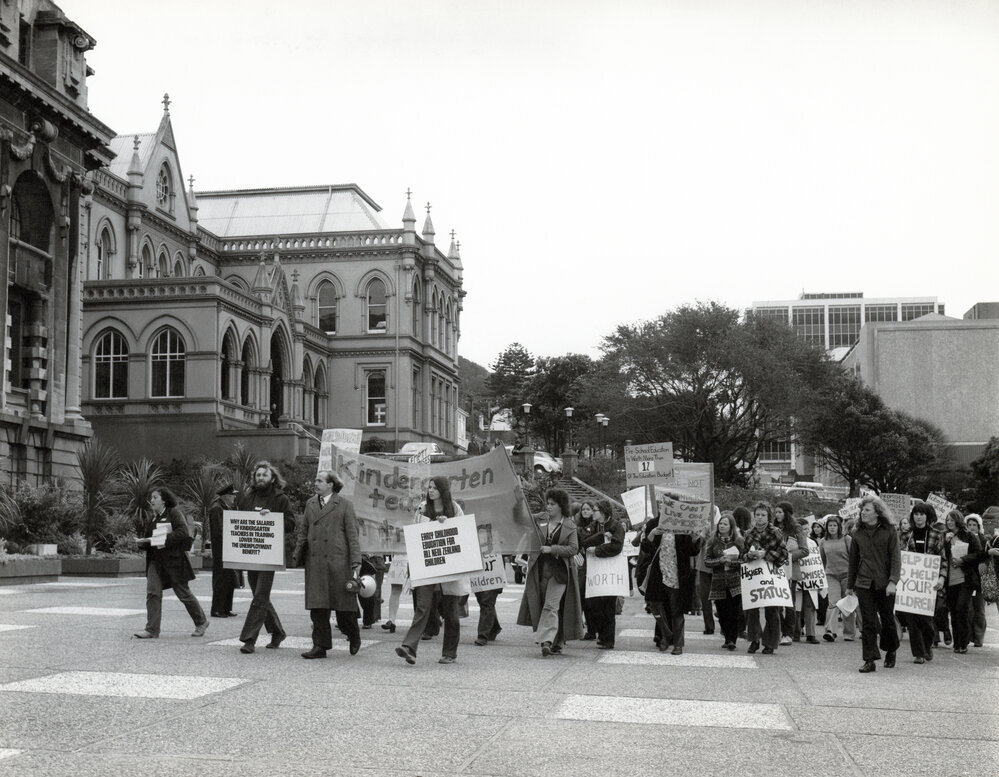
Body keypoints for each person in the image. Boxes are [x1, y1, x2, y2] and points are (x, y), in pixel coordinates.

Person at [396, 476, 467, 665]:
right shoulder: (422, 508)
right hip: (427, 565)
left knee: (451, 612)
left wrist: (447, 523)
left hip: (449, 566)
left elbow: (462, 532)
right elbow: (414, 535)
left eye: (435, 488)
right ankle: (409, 647)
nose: (431, 491)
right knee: (423, 606)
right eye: (429, 487)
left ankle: (449, 653)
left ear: (443, 490)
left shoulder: (455, 509)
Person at [292, 471, 362, 659]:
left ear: (331, 484)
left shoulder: (345, 505)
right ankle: (320, 646)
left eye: (319, 480)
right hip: (315, 563)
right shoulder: (310, 504)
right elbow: (303, 531)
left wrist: (356, 561)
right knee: (318, 607)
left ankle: (353, 634)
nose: (315, 483)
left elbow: (353, 536)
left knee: (344, 608)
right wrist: (297, 554)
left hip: (338, 563)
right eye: (316, 480)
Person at [516, 487, 585, 656]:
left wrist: (552, 549)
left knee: (551, 606)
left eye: (552, 504)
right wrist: (518, 502)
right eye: (547, 503)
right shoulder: (539, 519)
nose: (548, 506)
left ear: (561, 505)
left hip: (561, 574)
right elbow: (520, 519)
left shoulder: (570, 525)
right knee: (547, 606)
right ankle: (557, 641)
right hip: (539, 570)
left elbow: (573, 549)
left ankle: (546, 641)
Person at [133, 487, 209, 640]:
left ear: (164, 500)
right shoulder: (153, 518)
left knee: (183, 594)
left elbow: (183, 532)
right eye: (151, 497)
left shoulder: (174, 513)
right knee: (153, 593)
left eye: (155, 497)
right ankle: (152, 630)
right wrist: (143, 542)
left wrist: (162, 539)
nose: (152, 500)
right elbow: (150, 538)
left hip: (174, 562)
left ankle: (201, 622)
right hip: (155, 561)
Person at [237, 461, 294, 654]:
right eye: (258, 475)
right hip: (252, 552)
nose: (261, 478)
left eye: (265, 475)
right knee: (259, 596)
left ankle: (249, 639)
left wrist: (272, 517)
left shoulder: (280, 498)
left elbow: (291, 524)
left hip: (270, 554)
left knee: (260, 596)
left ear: (272, 478)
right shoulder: (248, 496)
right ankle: (278, 632)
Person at [846, 495, 901, 673]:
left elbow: (895, 559)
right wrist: (849, 585)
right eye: (862, 510)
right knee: (868, 622)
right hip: (863, 582)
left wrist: (893, 581)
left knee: (887, 620)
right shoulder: (857, 532)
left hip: (885, 583)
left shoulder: (889, 530)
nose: (863, 512)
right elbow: (853, 560)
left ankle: (891, 649)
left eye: (867, 510)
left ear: (877, 513)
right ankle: (869, 659)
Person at [641, 497, 697, 656]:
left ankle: (678, 644)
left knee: (676, 610)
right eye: (662, 505)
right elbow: (645, 549)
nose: (664, 508)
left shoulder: (682, 524)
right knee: (654, 605)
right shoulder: (653, 524)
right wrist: (651, 535)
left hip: (677, 575)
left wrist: (694, 538)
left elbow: (692, 551)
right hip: (658, 573)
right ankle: (666, 634)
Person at [740, 502, 788, 655]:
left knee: (772, 610)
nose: (760, 518)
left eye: (763, 515)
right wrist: (750, 555)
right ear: (754, 516)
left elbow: (784, 554)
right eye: (757, 515)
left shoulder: (776, 532)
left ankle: (770, 643)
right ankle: (754, 640)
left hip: (771, 574)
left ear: (768, 517)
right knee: (752, 610)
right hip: (753, 575)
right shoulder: (748, 534)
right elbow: (742, 555)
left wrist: (765, 554)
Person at [579, 500, 625, 649]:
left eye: (595, 510)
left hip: (610, 572)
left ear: (604, 512)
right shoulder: (592, 526)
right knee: (592, 604)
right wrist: (600, 536)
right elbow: (583, 542)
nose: (592, 513)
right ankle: (601, 633)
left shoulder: (616, 526)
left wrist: (598, 550)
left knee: (608, 607)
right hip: (594, 571)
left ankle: (608, 639)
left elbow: (617, 546)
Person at [903, 501, 944, 663]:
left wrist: (941, 577)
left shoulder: (936, 534)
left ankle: (927, 646)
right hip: (910, 584)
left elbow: (943, 559)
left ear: (928, 516)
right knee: (912, 621)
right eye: (916, 514)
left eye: (922, 514)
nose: (918, 517)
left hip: (929, 584)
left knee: (926, 621)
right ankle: (919, 653)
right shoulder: (906, 534)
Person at [938, 510, 984, 654]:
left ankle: (963, 643)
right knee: (953, 611)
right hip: (950, 580)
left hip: (966, 579)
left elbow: (979, 554)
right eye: (947, 520)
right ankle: (956, 643)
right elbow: (939, 555)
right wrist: (945, 542)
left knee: (962, 608)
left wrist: (963, 560)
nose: (949, 523)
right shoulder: (945, 536)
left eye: (952, 520)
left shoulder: (969, 536)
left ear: (958, 520)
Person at [703, 510, 744, 650]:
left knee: (734, 611)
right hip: (718, 581)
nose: (722, 526)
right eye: (721, 523)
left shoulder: (738, 542)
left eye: (725, 524)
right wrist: (720, 561)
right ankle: (727, 637)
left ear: (731, 527)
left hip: (734, 581)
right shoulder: (713, 542)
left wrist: (731, 562)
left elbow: (744, 561)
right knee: (722, 611)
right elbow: (707, 561)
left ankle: (732, 639)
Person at [775, 501, 808, 645]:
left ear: (787, 513)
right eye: (776, 512)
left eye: (780, 512)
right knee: (775, 603)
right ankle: (779, 630)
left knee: (789, 603)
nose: (777, 515)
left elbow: (804, 550)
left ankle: (788, 633)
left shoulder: (796, 528)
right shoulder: (773, 527)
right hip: (774, 569)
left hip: (790, 570)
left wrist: (788, 556)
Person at [820, 515, 856, 643]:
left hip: (847, 575)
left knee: (847, 604)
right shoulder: (823, 541)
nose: (832, 528)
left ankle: (849, 633)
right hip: (831, 575)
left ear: (839, 527)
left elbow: (854, 558)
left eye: (834, 525)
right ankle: (830, 631)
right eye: (830, 525)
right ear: (826, 527)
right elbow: (822, 560)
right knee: (833, 603)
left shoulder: (847, 539)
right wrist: (823, 575)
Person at [208, 483, 239, 618]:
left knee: (229, 578)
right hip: (221, 549)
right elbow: (218, 531)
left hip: (227, 548)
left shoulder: (224, 507)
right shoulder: (217, 508)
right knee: (221, 579)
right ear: (226, 496)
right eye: (232, 495)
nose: (234, 497)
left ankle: (226, 607)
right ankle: (217, 609)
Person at [965, 514, 988, 647]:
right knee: (967, 609)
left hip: (980, 580)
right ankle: (967, 637)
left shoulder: (984, 541)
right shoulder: (963, 539)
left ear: (979, 527)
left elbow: (987, 558)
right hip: (967, 578)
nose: (972, 527)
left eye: (975, 525)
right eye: (970, 525)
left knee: (979, 609)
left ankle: (979, 637)